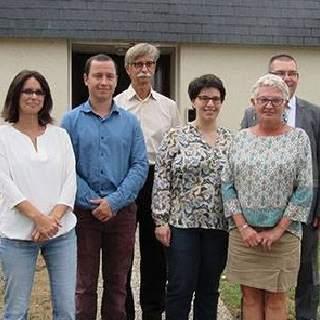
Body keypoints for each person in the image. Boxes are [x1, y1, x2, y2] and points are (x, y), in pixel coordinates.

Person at [61, 54, 149, 320]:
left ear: (116, 80)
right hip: (83, 215)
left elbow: (140, 165)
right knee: (84, 285)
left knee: (117, 284)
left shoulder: (130, 122)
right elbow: (66, 168)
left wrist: (115, 201)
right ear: (86, 79)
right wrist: (92, 200)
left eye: (109, 76)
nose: (104, 81)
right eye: (98, 76)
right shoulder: (70, 121)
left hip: (121, 215)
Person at [222, 74, 313, 320]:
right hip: (244, 236)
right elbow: (227, 184)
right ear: (253, 102)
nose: (269, 105)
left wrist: (277, 231)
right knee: (249, 297)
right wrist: (243, 228)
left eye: (276, 100)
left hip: (283, 236)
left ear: (285, 103)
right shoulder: (239, 139)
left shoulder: (298, 138)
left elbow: (304, 188)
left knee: (276, 299)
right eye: (263, 99)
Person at [241, 54, 320, 320]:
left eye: (292, 73)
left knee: (306, 271)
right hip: (254, 218)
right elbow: (241, 165)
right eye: (280, 73)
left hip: (306, 211)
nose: (287, 78)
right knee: (257, 288)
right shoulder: (250, 115)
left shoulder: (314, 114)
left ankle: (306, 316)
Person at [152, 74, 231, 320]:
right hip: (182, 225)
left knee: (209, 288)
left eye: (215, 99)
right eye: (203, 98)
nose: (210, 104)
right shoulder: (176, 136)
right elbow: (162, 179)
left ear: (221, 102)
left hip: (219, 226)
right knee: (180, 286)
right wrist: (161, 221)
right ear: (193, 101)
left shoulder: (232, 140)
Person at [0, 70, 77, 319]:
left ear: (45, 98)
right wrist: (39, 219)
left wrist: (51, 220)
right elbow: (5, 183)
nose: (33, 96)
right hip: (17, 234)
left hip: (61, 233)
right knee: (16, 310)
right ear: (16, 94)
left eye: (39, 91)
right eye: (27, 91)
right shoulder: (3, 136)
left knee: (66, 310)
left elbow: (69, 180)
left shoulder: (60, 135)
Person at [114, 43, 181, 320]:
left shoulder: (168, 106)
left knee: (155, 254)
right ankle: (125, 311)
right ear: (128, 69)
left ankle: (153, 311)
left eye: (149, 64)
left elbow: (177, 148)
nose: (144, 69)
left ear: (154, 68)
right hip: (126, 179)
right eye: (138, 64)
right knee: (123, 251)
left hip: (158, 179)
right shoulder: (116, 104)